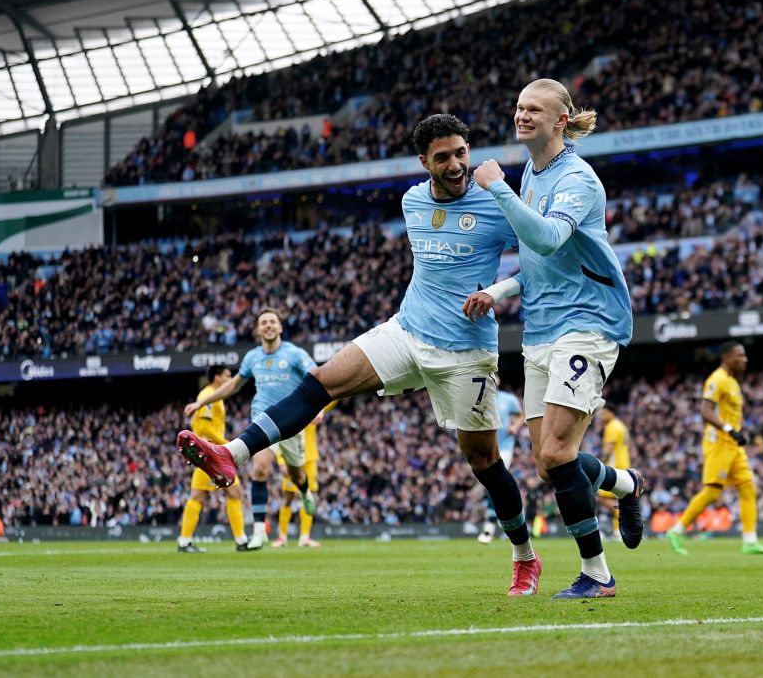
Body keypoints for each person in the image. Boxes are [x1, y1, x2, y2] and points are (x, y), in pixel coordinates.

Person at [177, 114, 545, 595]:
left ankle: (524, 557)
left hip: (466, 351)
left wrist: (497, 288)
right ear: (423, 162)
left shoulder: (496, 202)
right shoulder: (412, 201)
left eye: (461, 153)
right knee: (319, 383)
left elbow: (542, 255)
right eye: (442, 158)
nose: (456, 165)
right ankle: (231, 453)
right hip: (406, 330)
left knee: (484, 462)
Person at [465, 78, 645, 599]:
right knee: (549, 462)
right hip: (542, 327)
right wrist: (497, 289)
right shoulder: (531, 177)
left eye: (534, 110)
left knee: (562, 453)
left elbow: (547, 236)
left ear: (560, 120)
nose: (522, 116)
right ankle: (626, 485)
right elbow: (536, 264)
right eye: (519, 107)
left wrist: (496, 186)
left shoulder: (575, 179)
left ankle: (597, 574)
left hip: (589, 323)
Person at [181, 308, 318, 550]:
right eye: (263, 322)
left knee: (296, 475)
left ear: (280, 327)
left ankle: (305, 491)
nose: (268, 325)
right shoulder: (252, 357)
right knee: (260, 468)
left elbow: (317, 374)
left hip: (293, 420)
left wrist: (319, 407)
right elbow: (233, 385)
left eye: (272, 322)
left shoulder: (294, 354)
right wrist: (202, 402)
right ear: (257, 329)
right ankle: (258, 532)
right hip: (263, 420)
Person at [665, 342, 763, 556]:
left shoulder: (732, 382)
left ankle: (750, 541)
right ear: (727, 357)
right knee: (713, 491)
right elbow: (705, 411)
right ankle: (676, 530)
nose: (744, 360)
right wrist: (729, 429)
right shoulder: (717, 379)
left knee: (747, 487)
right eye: (740, 355)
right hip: (719, 443)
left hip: (733, 445)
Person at [176, 365, 250, 552]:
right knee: (198, 496)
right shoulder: (206, 396)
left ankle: (241, 540)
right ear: (217, 377)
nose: (230, 378)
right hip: (207, 454)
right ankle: (184, 542)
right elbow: (205, 429)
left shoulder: (214, 397)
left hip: (215, 453)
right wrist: (227, 445)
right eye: (227, 375)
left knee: (234, 492)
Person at [272, 401, 337, 548]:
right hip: (292, 459)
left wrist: (346, 385)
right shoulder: (288, 409)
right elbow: (279, 436)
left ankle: (305, 537)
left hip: (310, 460)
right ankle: (282, 537)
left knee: (309, 496)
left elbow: (330, 401)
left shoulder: (313, 407)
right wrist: (281, 461)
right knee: (288, 497)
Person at [478, 377, 524, 544]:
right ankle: (505, 520)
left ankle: (489, 527)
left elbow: (520, 415)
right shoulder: (480, 397)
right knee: (494, 486)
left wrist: (515, 426)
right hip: (486, 447)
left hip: (504, 447)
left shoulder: (508, 399)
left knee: (495, 481)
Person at [597, 404, 632, 543]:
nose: (601, 416)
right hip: (624, 466)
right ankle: (618, 531)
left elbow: (608, 449)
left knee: (598, 497)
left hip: (614, 468)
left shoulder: (611, 427)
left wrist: (599, 465)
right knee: (618, 500)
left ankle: (619, 527)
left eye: (603, 413)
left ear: (611, 412)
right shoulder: (621, 426)